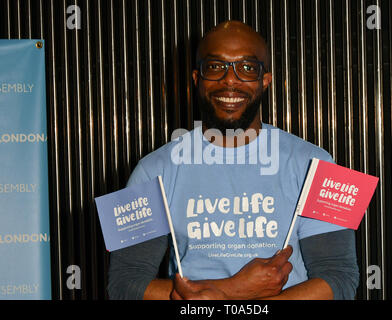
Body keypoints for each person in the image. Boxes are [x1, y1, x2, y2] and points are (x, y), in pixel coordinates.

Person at [107, 20, 359, 300]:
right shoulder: (150, 170)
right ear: (196, 79)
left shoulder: (321, 164)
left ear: (265, 80)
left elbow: (341, 278)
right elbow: (123, 285)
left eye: (247, 68)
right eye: (215, 67)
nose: (230, 80)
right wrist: (235, 290)